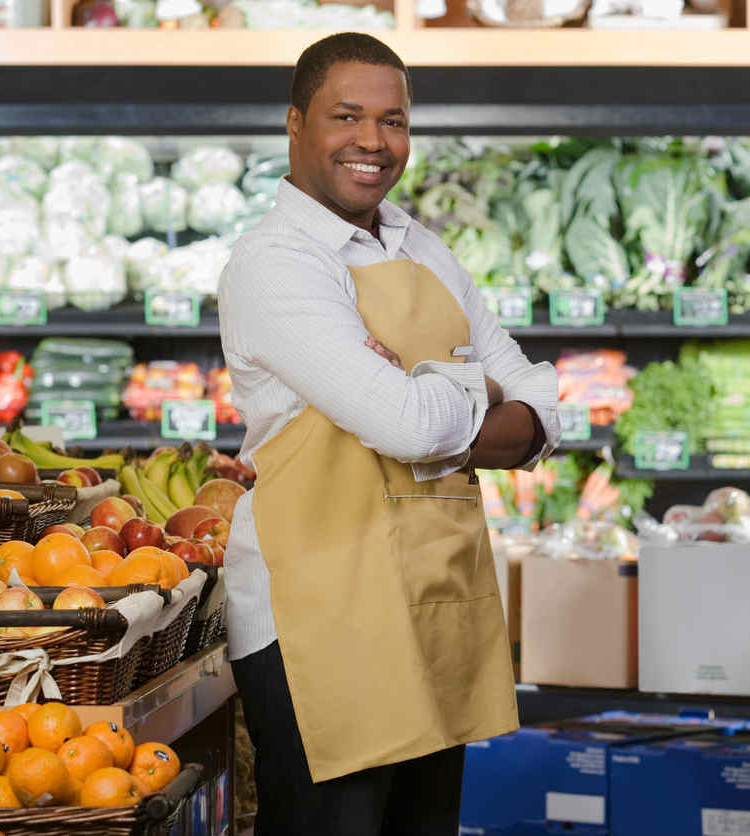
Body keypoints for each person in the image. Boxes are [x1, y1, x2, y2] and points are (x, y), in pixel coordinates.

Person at [217, 32, 560, 836]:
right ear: (295, 124)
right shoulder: (276, 263)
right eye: (346, 116)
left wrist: (428, 391)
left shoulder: (421, 246)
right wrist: (471, 387)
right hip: (319, 615)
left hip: (433, 600)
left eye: (393, 120)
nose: (372, 141)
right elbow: (403, 425)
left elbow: (545, 405)